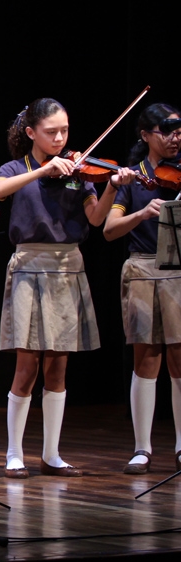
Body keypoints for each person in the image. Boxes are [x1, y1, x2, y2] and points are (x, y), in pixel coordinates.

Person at [0, 98, 134, 478]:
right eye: (51, 132)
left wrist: (112, 189)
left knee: (58, 368)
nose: (60, 138)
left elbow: (97, 220)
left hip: (68, 267)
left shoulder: (78, 171)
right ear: (32, 133)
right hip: (29, 267)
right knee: (26, 367)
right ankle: (13, 453)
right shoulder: (16, 168)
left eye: (65, 131)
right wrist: (42, 171)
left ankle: (52, 454)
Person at [102, 103, 181, 474]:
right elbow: (109, 230)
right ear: (146, 135)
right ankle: (142, 448)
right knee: (146, 357)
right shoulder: (131, 179)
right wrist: (142, 212)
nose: (175, 137)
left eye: (179, 130)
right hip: (143, 266)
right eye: (166, 131)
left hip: (179, 270)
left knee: (180, 358)